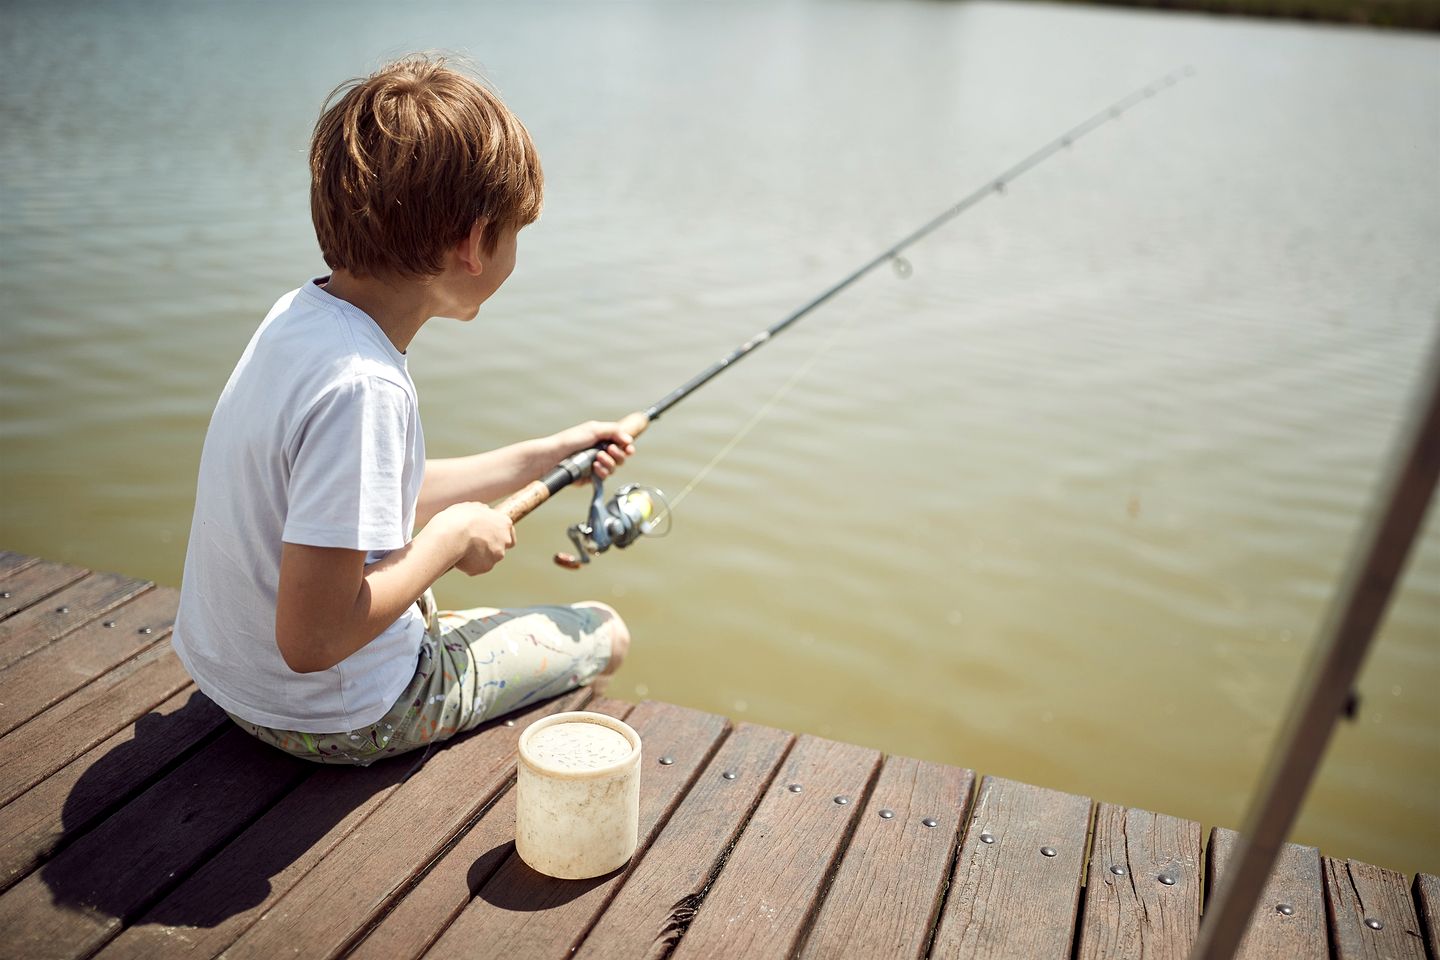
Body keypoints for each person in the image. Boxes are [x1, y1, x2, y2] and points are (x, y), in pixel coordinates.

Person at [171, 54, 633, 765]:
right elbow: (313, 641)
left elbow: (365, 498)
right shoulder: (366, 386)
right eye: (516, 232)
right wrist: (451, 540)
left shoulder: (302, 320)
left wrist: (546, 455)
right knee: (605, 630)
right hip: (341, 717)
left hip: (236, 687)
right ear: (474, 242)